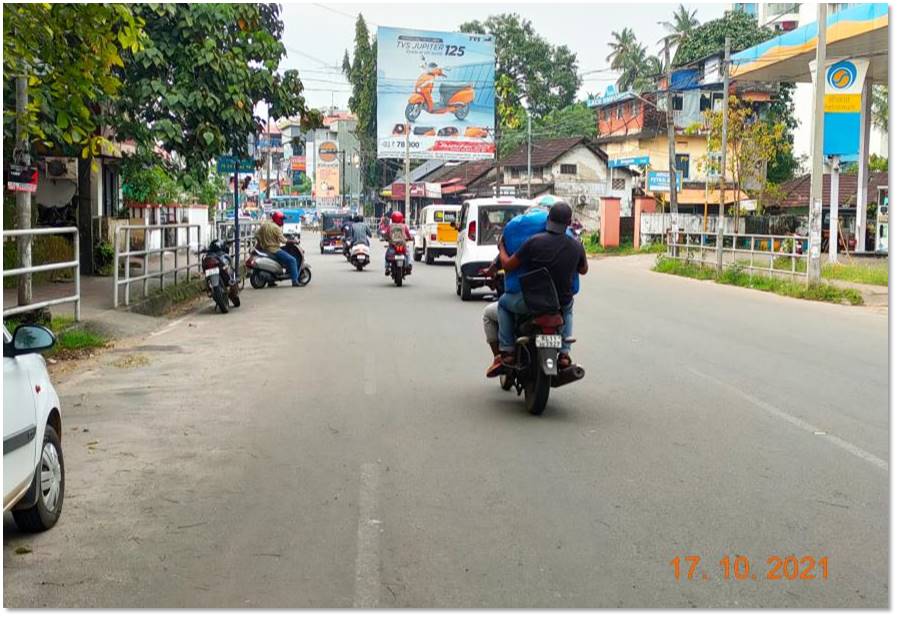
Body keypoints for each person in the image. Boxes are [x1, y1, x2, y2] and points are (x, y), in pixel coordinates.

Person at [490, 201, 588, 375]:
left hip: (531, 303)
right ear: (568, 223)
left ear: (548, 219)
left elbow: (508, 265)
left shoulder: (533, 242)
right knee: (569, 307)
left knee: (503, 304)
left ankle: (508, 350)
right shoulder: (576, 245)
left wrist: (502, 247)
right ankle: (564, 354)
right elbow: (583, 270)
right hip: (560, 303)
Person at [256, 211, 301, 286]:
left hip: (265, 249)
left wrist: (260, 243)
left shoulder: (265, 225)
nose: (282, 222)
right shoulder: (276, 228)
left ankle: (271, 281)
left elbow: (257, 235)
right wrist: (294, 241)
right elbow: (284, 240)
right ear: (277, 219)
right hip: (274, 250)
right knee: (292, 260)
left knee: (283, 258)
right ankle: (295, 281)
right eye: (281, 220)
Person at [385, 210, 413, 275]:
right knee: (408, 254)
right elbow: (408, 235)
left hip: (392, 246)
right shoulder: (404, 226)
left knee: (387, 256)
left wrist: (386, 238)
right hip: (402, 245)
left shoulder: (390, 226)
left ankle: (387, 267)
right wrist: (410, 238)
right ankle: (409, 265)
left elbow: (386, 235)